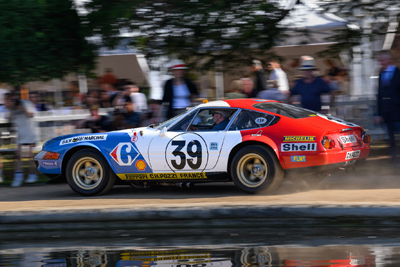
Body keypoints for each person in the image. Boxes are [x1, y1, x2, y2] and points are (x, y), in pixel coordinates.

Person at [6, 93, 38, 187]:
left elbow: (31, 114)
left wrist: (22, 108)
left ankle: (32, 175)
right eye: (10, 100)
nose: (11, 101)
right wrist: (11, 108)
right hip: (21, 135)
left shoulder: (26, 103)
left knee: (29, 155)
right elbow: (9, 120)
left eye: (12, 99)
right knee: (18, 155)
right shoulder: (13, 109)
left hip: (30, 133)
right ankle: (18, 178)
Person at [374, 51, 400, 166]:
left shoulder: (398, 73)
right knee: (391, 138)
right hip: (386, 112)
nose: (381, 63)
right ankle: (393, 161)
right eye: (380, 60)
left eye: (382, 60)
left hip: (398, 111)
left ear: (389, 60)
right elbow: (379, 95)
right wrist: (378, 114)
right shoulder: (381, 74)